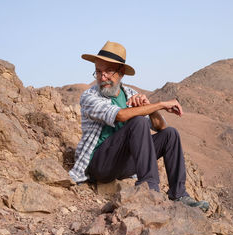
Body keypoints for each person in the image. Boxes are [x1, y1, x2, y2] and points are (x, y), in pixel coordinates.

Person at [69, 41, 209, 212]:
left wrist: (148, 107)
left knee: (170, 134)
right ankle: (150, 189)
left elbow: (160, 127)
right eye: (98, 71)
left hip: (124, 164)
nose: (102, 77)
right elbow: (119, 115)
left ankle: (178, 194)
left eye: (108, 71)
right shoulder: (89, 97)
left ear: (121, 73)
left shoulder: (130, 95)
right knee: (137, 121)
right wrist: (160, 104)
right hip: (100, 164)